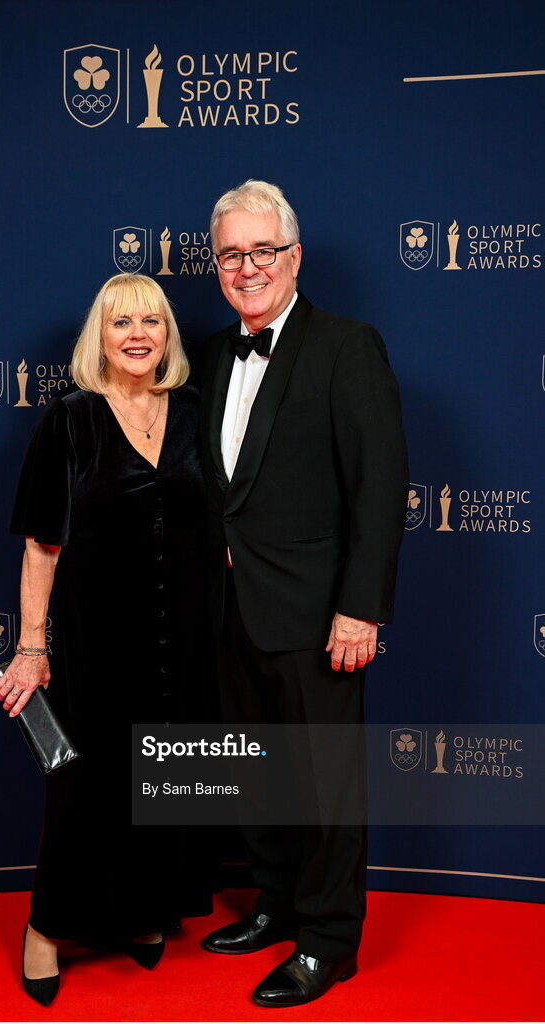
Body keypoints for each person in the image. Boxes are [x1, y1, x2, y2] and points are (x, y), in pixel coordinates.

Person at [199, 180, 408, 1008]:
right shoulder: (212, 354)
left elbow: (380, 484)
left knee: (326, 787)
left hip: (321, 615)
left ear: (294, 256)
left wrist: (362, 607)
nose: (247, 268)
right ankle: (277, 904)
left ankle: (327, 941)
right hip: (231, 612)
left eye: (262, 251)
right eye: (231, 254)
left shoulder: (347, 345)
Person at [0, 273, 217, 1006]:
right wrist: (33, 645)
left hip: (180, 638)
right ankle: (47, 929)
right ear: (101, 335)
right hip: (99, 639)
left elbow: (214, 521)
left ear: (166, 335)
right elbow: (40, 545)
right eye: (121, 322)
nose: (137, 335)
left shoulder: (191, 410)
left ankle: (145, 914)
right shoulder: (70, 420)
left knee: (166, 782)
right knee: (85, 792)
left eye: (151, 321)